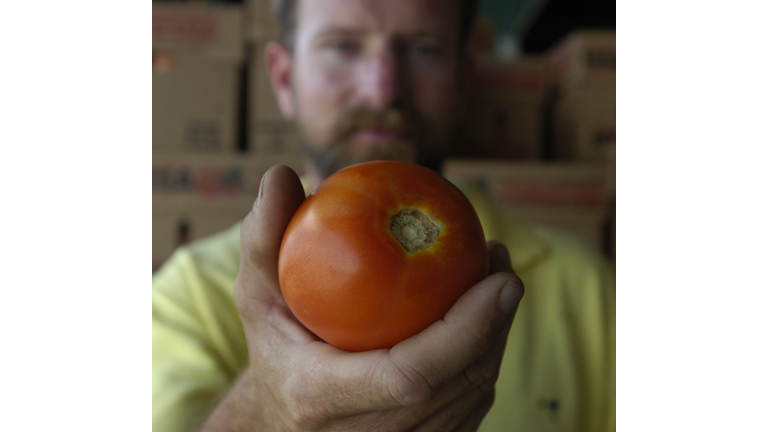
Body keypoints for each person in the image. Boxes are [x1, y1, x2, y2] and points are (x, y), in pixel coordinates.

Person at [152, 0, 616, 431]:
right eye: (342, 46)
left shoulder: (591, 290)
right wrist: (262, 413)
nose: (383, 88)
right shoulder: (185, 293)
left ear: (463, 80)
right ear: (282, 77)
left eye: (422, 48)